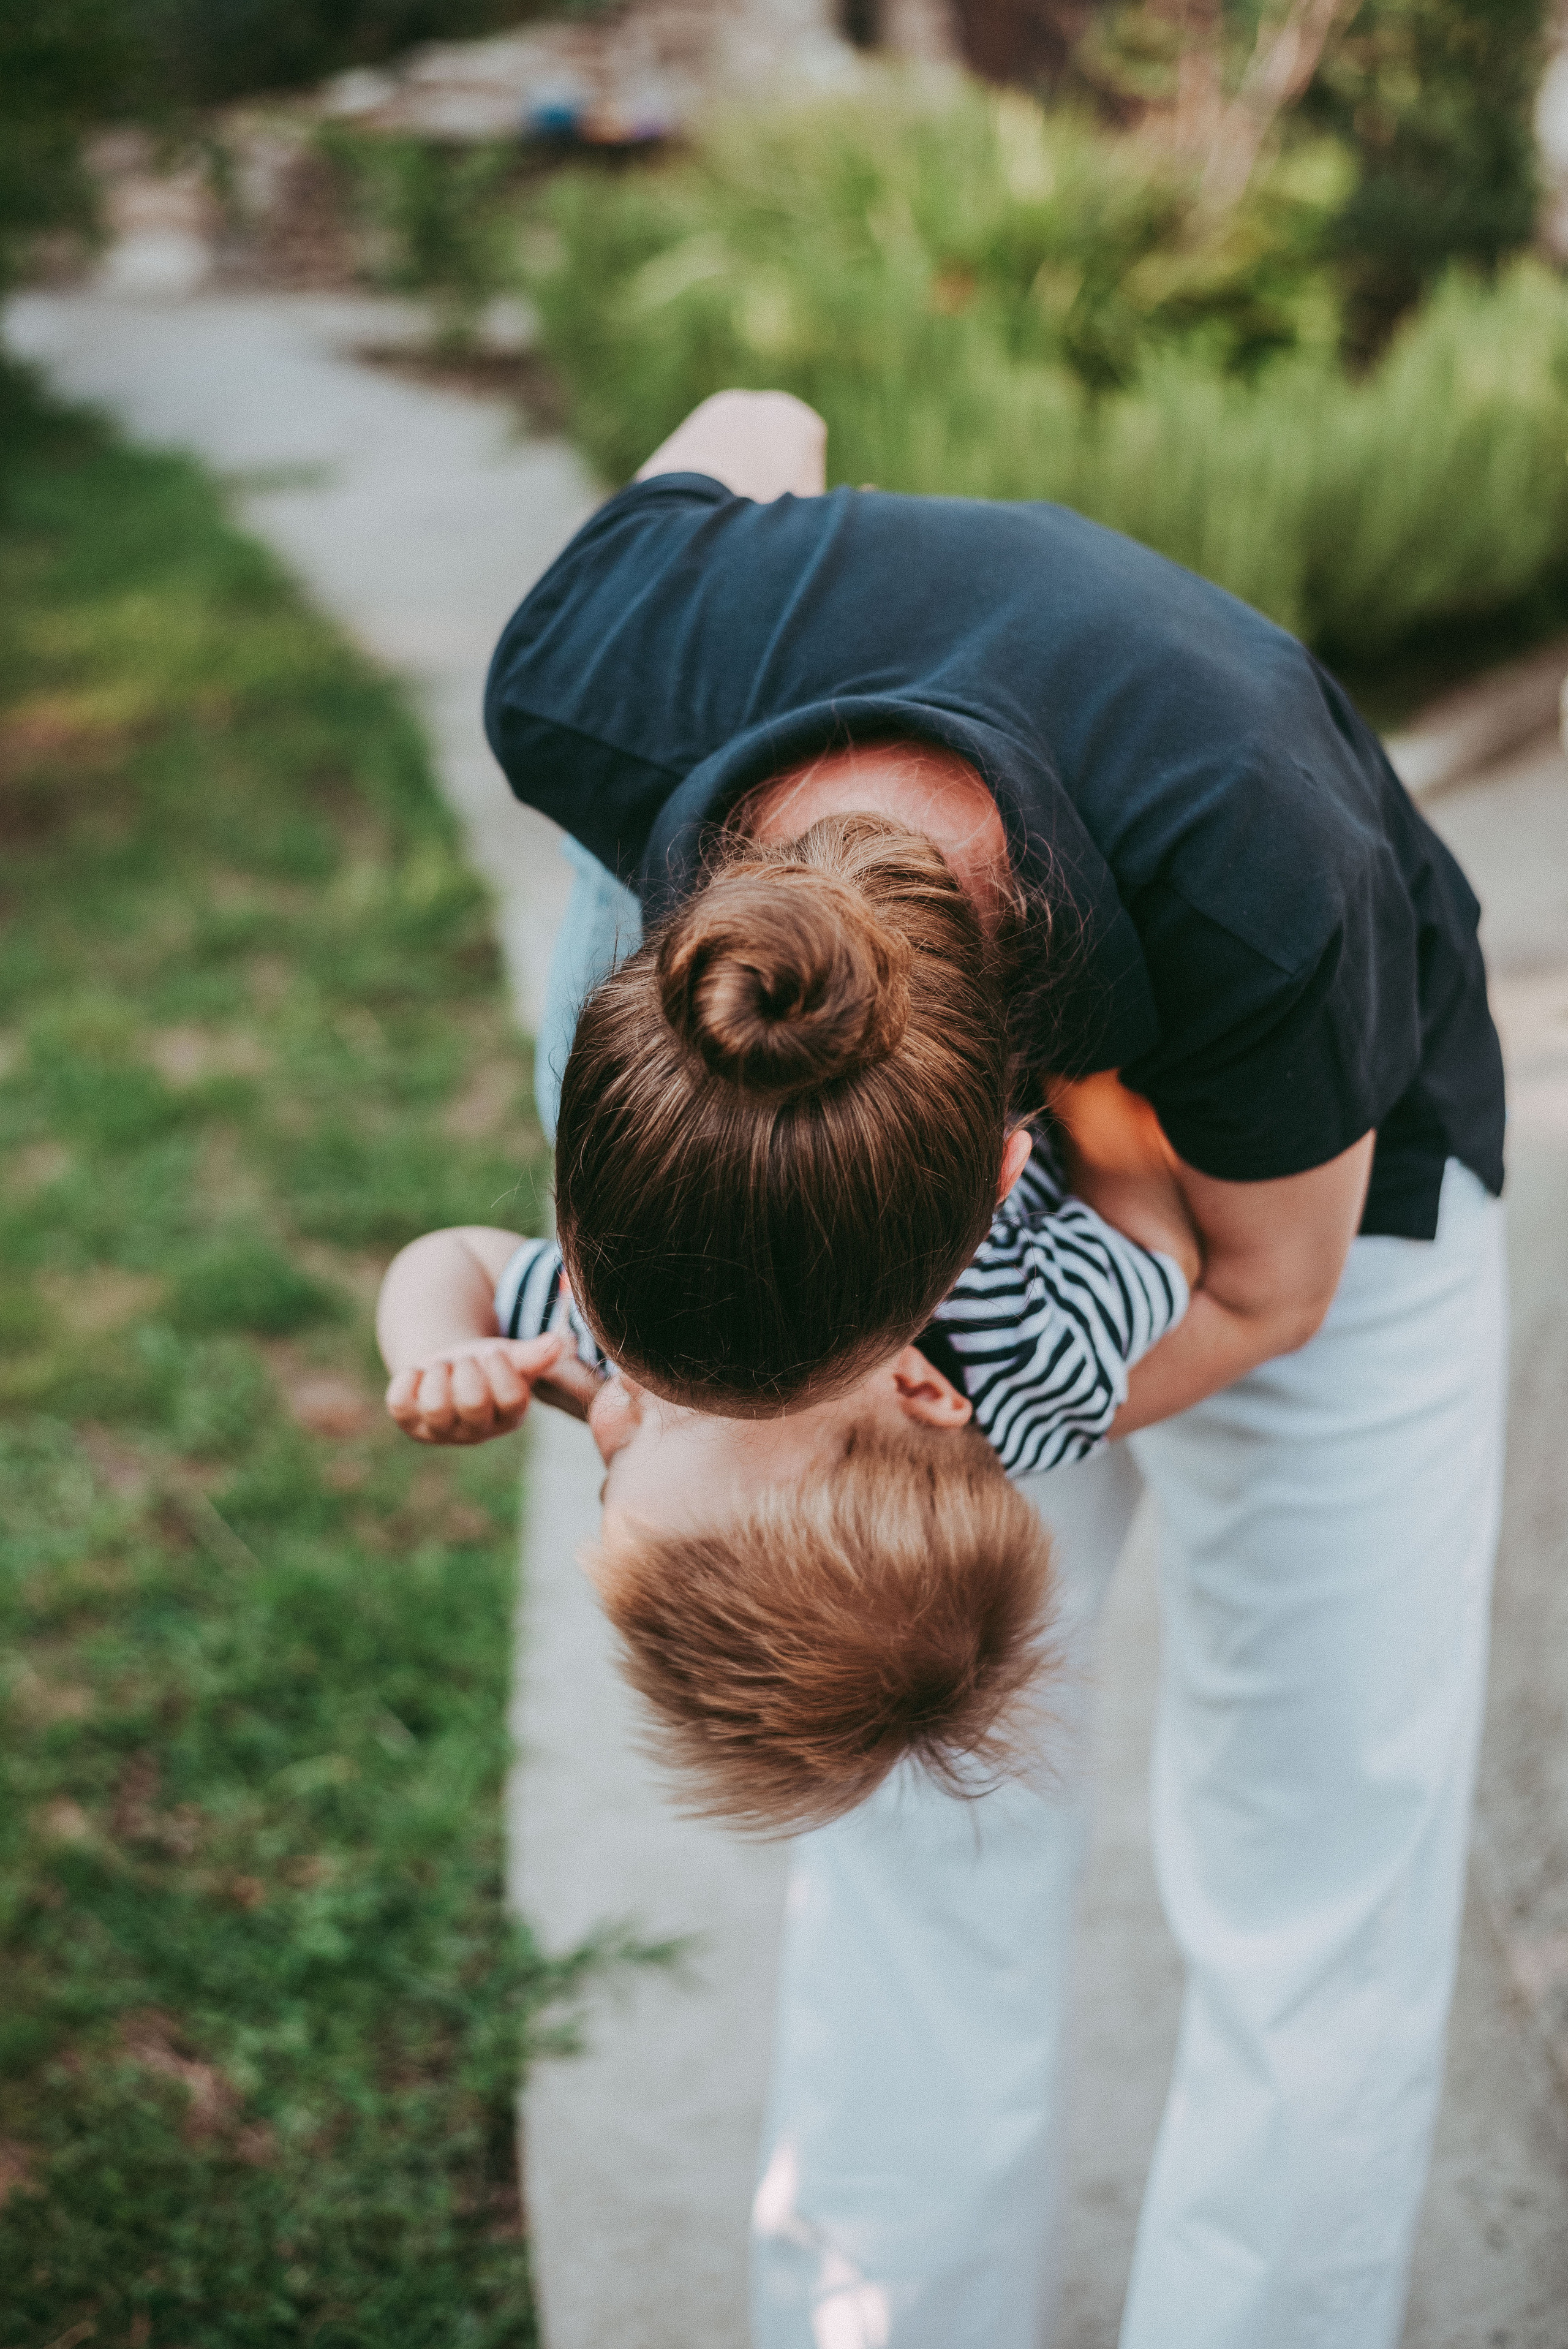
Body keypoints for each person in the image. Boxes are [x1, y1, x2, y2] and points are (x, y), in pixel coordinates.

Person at [481, 391, 1509, 2349]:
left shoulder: (1253, 863)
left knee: (1317, 1853)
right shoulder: (587, 671)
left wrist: (991, 1444)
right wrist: (773, 557)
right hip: (1022, 1215)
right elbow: (761, 417)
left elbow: (1260, 1294)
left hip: (1323, 1204)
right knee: (906, 1813)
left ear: (973, 1237)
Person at [375, 1019, 1196, 1827]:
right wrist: (1081, 1051)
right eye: (683, 1413)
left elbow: (456, 1260)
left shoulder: (628, 1349)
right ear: (916, 1388)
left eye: (611, 1453)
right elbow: (1155, 1238)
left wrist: (438, 1350)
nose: (615, 1398)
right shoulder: (1040, 1358)